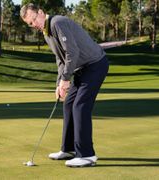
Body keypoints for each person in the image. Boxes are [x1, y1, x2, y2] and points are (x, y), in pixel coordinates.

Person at [20, 3, 109, 167]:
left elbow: (72, 52)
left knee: (80, 106)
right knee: (69, 104)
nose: (34, 25)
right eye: (30, 24)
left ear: (41, 12)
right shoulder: (47, 33)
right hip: (82, 69)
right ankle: (69, 149)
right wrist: (59, 84)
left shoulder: (56, 23)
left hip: (95, 65)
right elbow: (61, 59)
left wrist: (66, 79)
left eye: (34, 20)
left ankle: (87, 155)